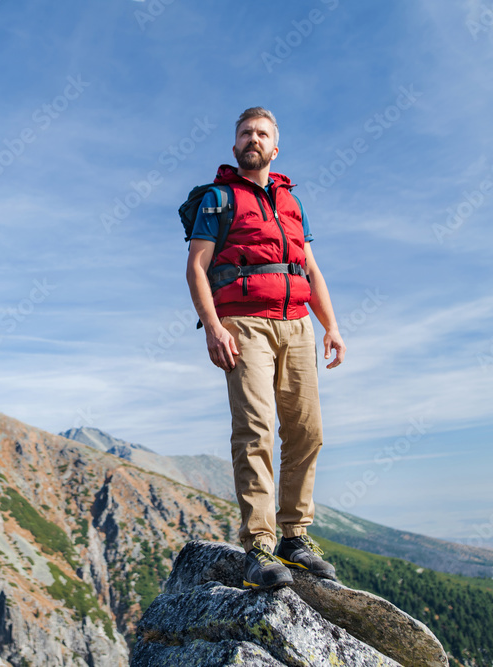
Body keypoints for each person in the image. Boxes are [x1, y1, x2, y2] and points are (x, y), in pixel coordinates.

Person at [185, 107, 346, 589]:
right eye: (244, 133)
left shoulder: (292, 202)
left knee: (308, 431)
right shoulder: (217, 198)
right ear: (234, 146)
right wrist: (214, 327)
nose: (252, 138)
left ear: (275, 148)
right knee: (254, 427)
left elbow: (311, 270)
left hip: (296, 325)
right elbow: (196, 266)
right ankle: (259, 544)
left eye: (261, 133)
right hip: (243, 324)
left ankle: (295, 536)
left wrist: (331, 326)